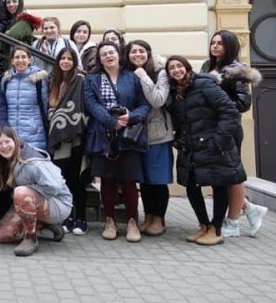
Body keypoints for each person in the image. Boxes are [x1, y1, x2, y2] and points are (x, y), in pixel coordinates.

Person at [167, 55, 244, 246]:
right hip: (191, 147)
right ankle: (204, 225)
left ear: (187, 67)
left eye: (179, 66)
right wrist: (178, 139)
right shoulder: (176, 91)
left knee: (219, 185)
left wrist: (220, 139)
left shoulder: (204, 85)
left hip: (214, 146)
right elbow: (180, 120)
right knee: (192, 186)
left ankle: (216, 229)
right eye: (172, 68)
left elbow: (230, 111)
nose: (176, 70)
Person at [200, 30, 266, 237]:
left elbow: (243, 102)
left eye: (220, 43)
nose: (215, 46)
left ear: (230, 46)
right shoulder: (207, 67)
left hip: (228, 129)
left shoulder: (236, 70)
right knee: (224, 173)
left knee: (232, 175)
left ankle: (233, 221)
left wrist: (218, 106)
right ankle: (249, 208)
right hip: (211, 128)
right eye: (213, 42)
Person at [84, 41, 150, 243]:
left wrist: (130, 118)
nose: (108, 56)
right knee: (107, 180)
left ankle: (132, 222)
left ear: (119, 54)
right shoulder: (92, 79)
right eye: (104, 54)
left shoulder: (132, 77)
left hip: (129, 136)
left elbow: (144, 105)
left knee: (129, 181)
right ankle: (110, 221)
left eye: (111, 52)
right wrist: (111, 121)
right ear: (100, 59)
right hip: (103, 136)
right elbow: (91, 104)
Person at [0, 126, 72, 257]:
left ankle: (31, 238)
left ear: (16, 140)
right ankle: (44, 225)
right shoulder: (4, 161)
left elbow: (54, 186)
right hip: (32, 201)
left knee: (21, 193)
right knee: (3, 236)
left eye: (7, 141)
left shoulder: (32, 162)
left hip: (59, 203)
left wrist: (28, 193)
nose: (4, 146)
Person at [125, 40, 173, 236]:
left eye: (141, 51)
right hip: (136, 134)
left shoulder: (159, 73)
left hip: (157, 134)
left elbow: (158, 100)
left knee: (158, 179)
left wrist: (144, 76)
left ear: (148, 53)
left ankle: (159, 219)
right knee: (144, 180)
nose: (137, 55)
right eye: (133, 52)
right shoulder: (127, 74)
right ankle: (149, 216)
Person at [47, 47, 88, 235]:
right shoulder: (54, 81)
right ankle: (67, 216)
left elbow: (81, 106)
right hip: (58, 139)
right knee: (63, 181)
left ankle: (81, 219)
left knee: (77, 179)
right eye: (62, 58)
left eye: (69, 59)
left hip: (75, 136)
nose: (65, 61)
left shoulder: (79, 79)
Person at [0, 47, 49, 151]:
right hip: (11, 131)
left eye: (24, 57)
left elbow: (45, 105)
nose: (20, 60)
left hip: (34, 133)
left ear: (30, 60)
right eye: (17, 57)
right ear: (12, 61)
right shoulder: (6, 80)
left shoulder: (39, 79)